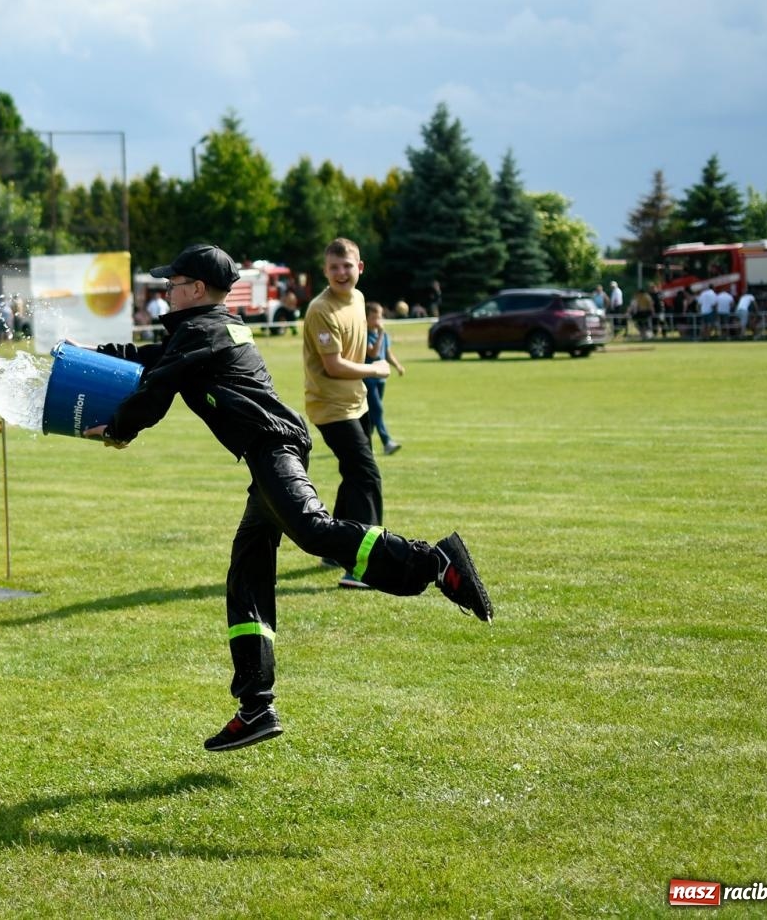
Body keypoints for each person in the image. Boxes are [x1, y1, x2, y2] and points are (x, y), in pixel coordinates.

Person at [82, 243, 492, 753]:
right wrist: (88, 355)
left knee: (314, 530)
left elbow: (157, 387)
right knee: (247, 572)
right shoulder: (205, 328)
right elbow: (151, 361)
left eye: (172, 283)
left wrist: (119, 430)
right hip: (267, 451)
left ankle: (432, 562)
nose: (166, 291)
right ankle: (255, 707)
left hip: (272, 446)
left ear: (195, 289)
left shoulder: (202, 330)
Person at [304, 238, 392, 590]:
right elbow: (334, 366)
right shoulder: (320, 310)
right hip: (330, 406)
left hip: (357, 402)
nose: (341, 273)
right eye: (334, 267)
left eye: (347, 265)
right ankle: (364, 566)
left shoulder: (357, 299)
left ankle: (334, 546)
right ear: (325, 271)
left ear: (360, 267)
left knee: (355, 475)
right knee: (367, 476)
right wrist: (376, 369)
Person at [362, 301, 405, 455]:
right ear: (366, 319)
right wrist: (380, 334)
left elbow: (387, 353)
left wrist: (398, 366)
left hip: (381, 380)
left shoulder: (384, 335)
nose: (378, 321)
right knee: (377, 410)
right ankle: (387, 442)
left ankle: (365, 445)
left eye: (379, 317)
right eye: (374, 317)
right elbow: (372, 354)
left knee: (373, 415)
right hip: (368, 379)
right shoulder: (364, 335)